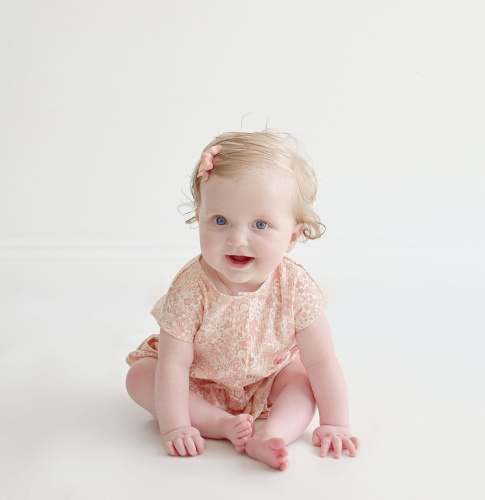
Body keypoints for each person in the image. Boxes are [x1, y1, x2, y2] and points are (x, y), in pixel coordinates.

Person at [125, 130, 359, 471]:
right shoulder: (191, 287)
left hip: (268, 378)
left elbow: (321, 361)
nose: (237, 239)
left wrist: (336, 422)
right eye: (220, 221)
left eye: (260, 224)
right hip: (198, 383)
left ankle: (273, 434)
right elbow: (174, 365)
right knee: (140, 377)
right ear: (199, 218)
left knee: (301, 381)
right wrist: (175, 427)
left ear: (292, 237)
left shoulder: (296, 286)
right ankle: (219, 423)